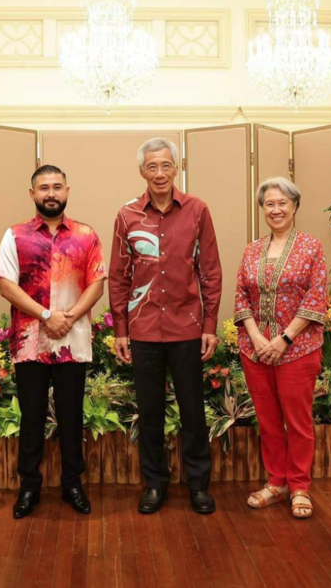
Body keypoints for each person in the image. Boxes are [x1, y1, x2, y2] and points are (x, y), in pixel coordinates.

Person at [108, 137, 222, 515]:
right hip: (142, 330)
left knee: (193, 412)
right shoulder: (126, 216)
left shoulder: (197, 210)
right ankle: (154, 485)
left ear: (177, 167)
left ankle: (198, 486)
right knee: (150, 411)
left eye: (166, 165)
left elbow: (211, 271)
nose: (159, 173)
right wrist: (121, 329)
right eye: (152, 166)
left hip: (187, 328)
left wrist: (209, 324)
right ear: (142, 171)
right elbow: (118, 277)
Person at [0, 165, 106, 519]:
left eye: (57, 186)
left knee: (72, 417)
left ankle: (73, 484)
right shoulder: (14, 235)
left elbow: (97, 283)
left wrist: (69, 318)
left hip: (73, 341)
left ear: (68, 191)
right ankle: (29, 487)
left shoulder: (87, 235)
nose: (51, 193)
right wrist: (46, 316)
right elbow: (6, 285)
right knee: (31, 418)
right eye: (44, 187)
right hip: (30, 343)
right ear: (32, 194)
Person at [234, 177, 327, 519]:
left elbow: (317, 296)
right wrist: (257, 337)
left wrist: (284, 338)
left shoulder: (311, 247)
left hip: (298, 348)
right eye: (269, 204)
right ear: (263, 209)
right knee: (268, 420)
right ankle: (276, 482)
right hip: (255, 349)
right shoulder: (252, 249)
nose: (276, 209)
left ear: (295, 207)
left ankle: (300, 486)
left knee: (298, 421)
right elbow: (241, 294)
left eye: (282, 203)